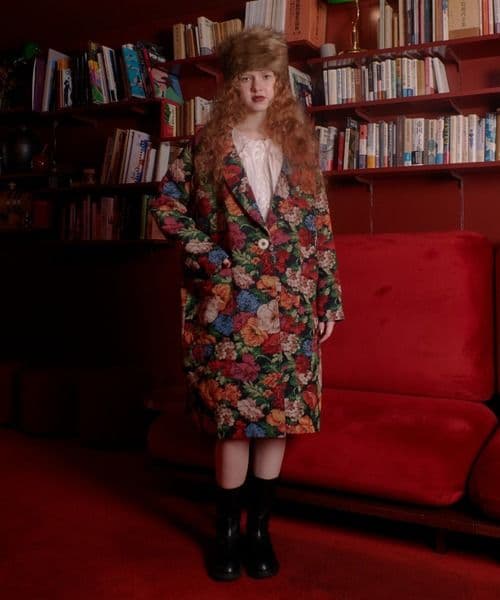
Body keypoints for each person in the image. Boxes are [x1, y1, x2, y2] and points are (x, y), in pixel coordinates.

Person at [150, 27, 344, 581]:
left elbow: (320, 229)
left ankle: (260, 531)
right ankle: (226, 533)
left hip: (291, 303)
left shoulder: (299, 148)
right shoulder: (207, 146)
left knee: (277, 421)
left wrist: (328, 298)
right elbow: (166, 206)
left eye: (268, 76)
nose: (259, 86)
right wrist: (211, 256)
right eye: (247, 76)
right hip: (228, 305)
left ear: (280, 83)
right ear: (231, 83)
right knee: (233, 423)